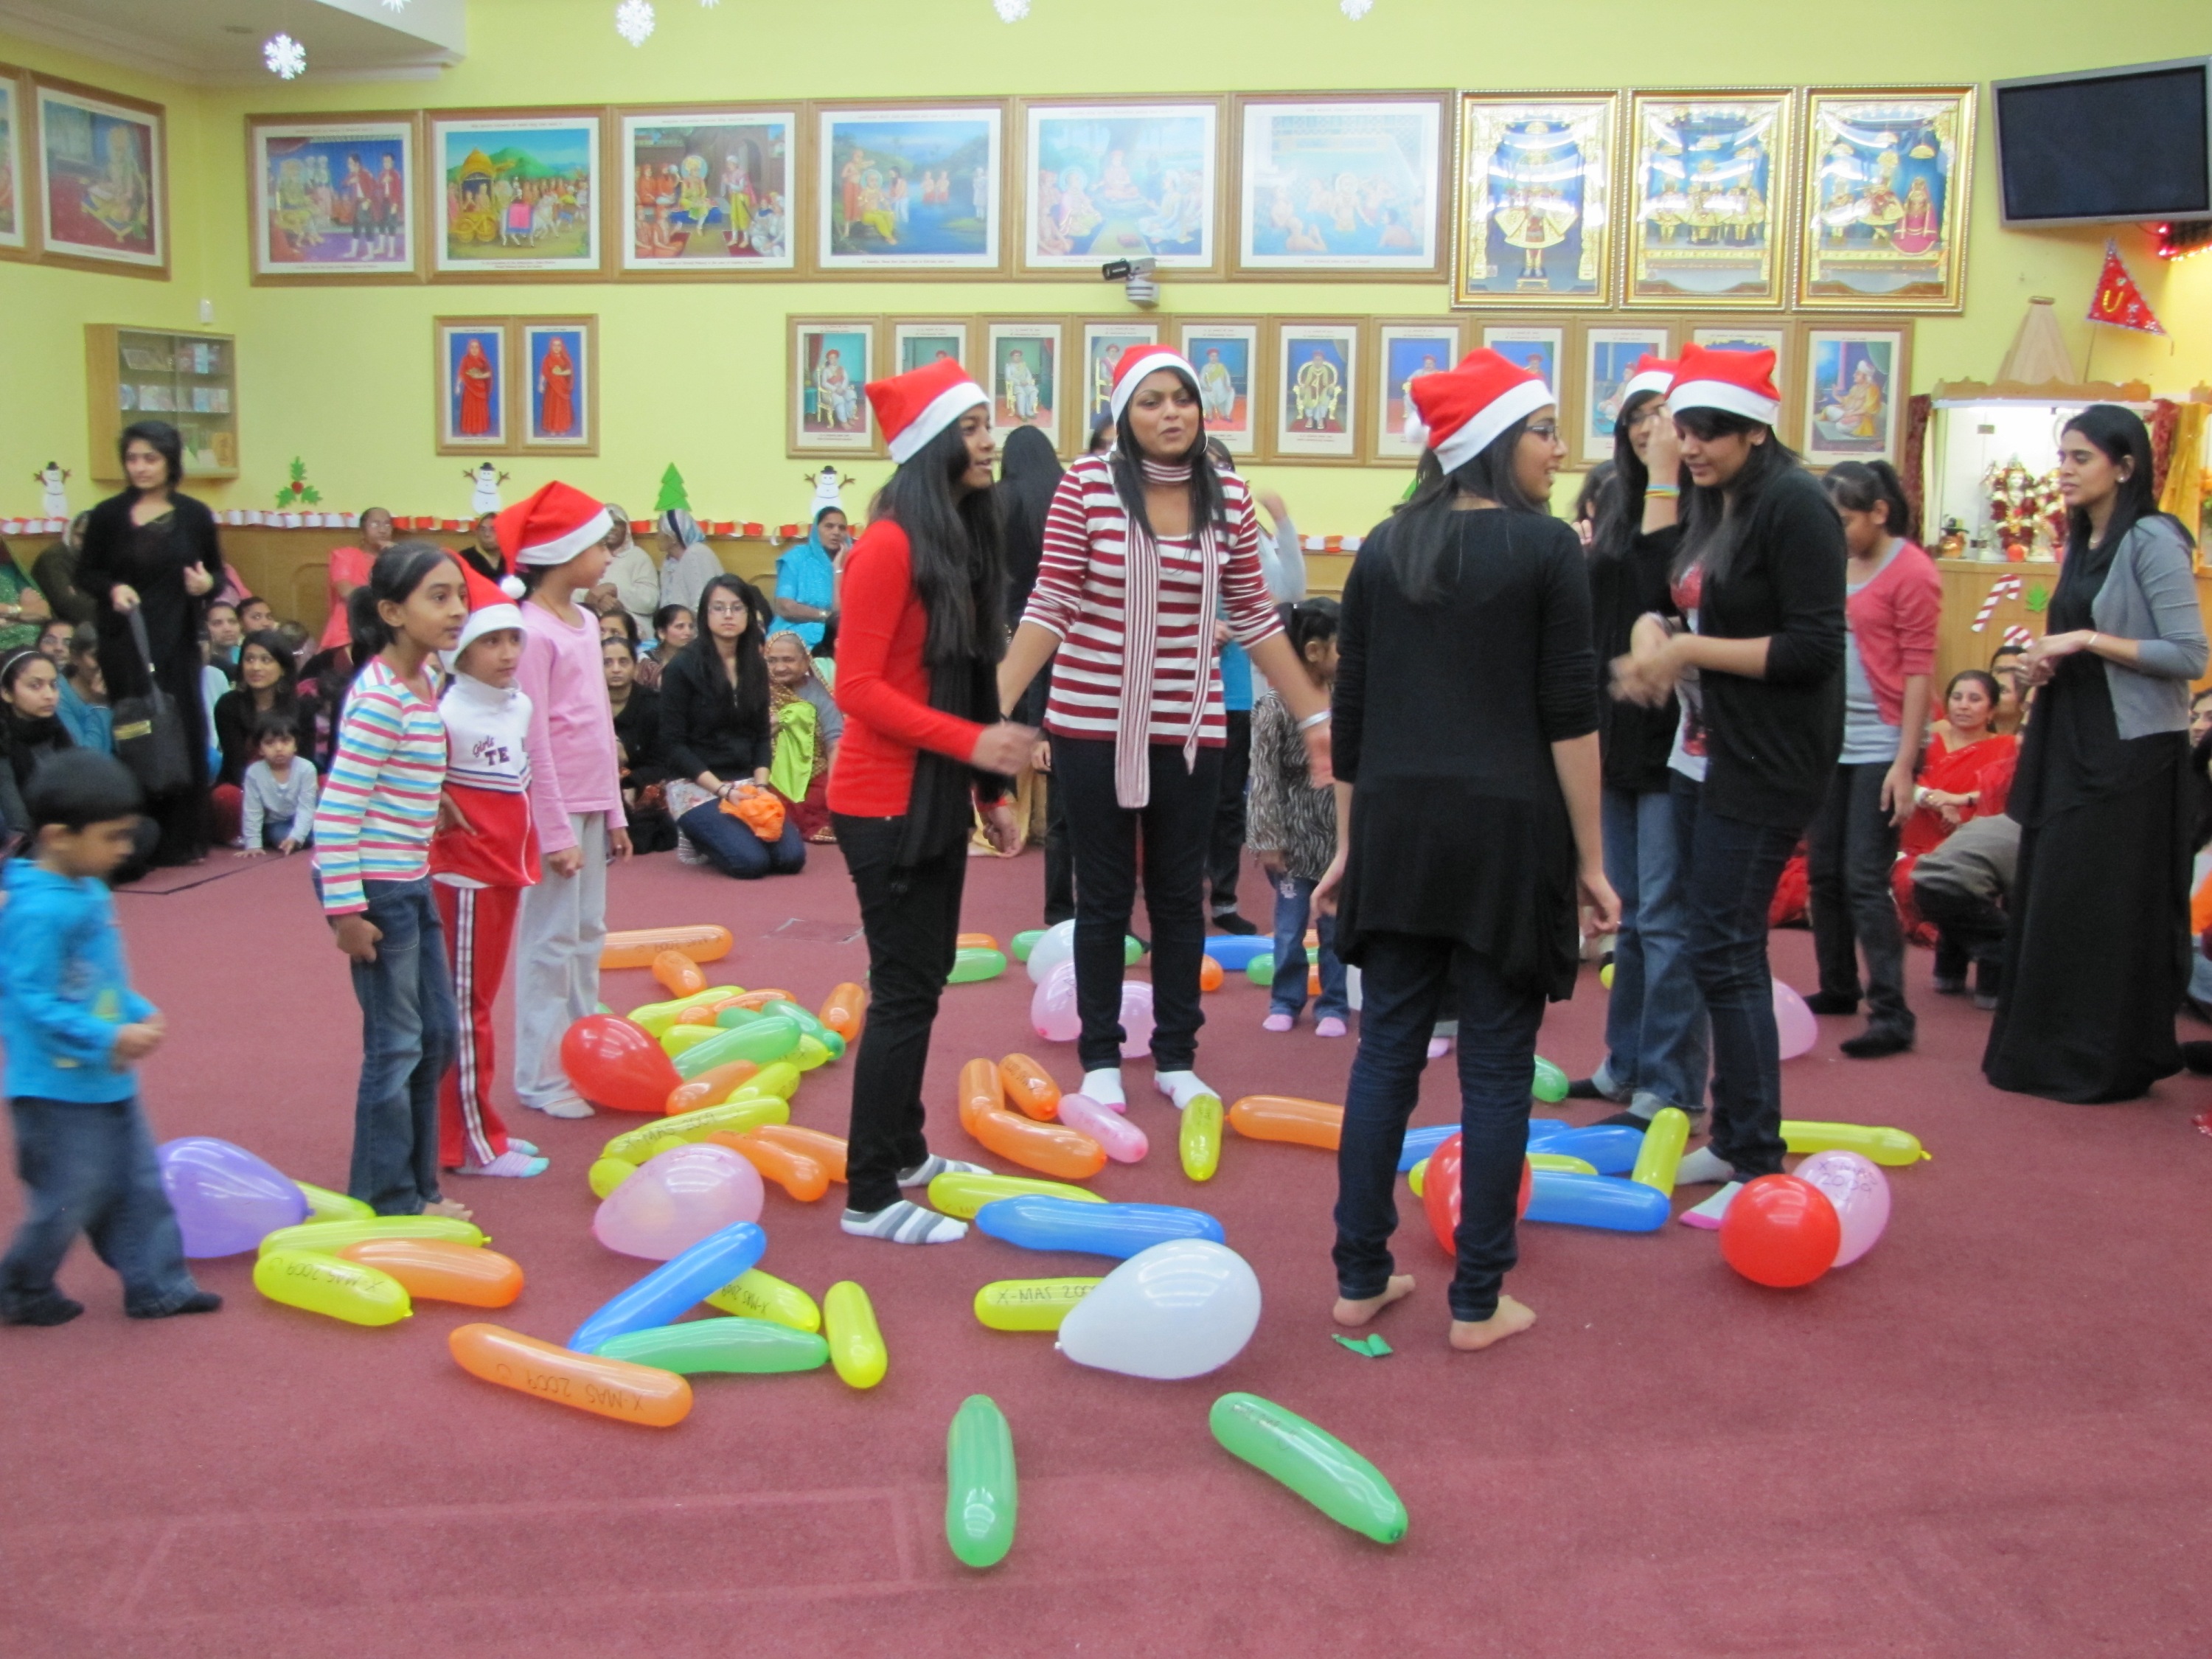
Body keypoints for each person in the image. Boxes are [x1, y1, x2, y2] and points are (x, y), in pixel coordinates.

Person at [1312, 351, 1613, 1353]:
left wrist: (1351, 841)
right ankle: (1478, 1298)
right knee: (1495, 1067)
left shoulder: (1385, 546)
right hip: (1506, 833)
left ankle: (1360, 1278)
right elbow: (1572, 717)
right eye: (1544, 430)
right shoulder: (1545, 550)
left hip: (1397, 830)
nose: (1561, 449)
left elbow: (1348, 716)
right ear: (1493, 439)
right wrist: (1593, 858)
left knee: (1385, 1053)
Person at [999, 345, 1332, 1116]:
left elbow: (1253, 613)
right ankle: (1101, 1056)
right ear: (1124, 414)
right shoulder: (1085, 485)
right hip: (1089, 723)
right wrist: (996, 702)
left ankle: (1179, 1054)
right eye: (1151, 400)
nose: (1170, 412)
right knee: (1106, 897)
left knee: (1182, 897)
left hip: (1189, 725)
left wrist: (1314, 714)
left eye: (1182, 397)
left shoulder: (1231, 498)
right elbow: (1049, 603)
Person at [1613, 346, 1846, 1211]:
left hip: (1766, 760)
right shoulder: (1721, 502)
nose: (1691, 448)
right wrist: (1651, 633)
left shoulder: (1796, 505)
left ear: (1756, 431)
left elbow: (1814, 648)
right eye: (1685, 432)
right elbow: (1672, 599)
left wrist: (1686, 651)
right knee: (1712, 948)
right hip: (1701, 753)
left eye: (1708, 433)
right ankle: (1737, 1133)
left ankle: (1756, 1161)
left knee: (1727, 950)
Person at [830, 359, 1028, 1243]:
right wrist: (977, 747)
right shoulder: (887, 546)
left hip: (936, 795)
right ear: (934, 445)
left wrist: (989, 789)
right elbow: (859, 690)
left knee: (923, 980)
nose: (992, 443)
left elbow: (967, 675)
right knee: (904, 991)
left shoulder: (958, 535)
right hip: (882, 804)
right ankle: (871, 1195)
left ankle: (905, 1152)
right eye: (976, 427)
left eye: (989, 425)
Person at [1984, 406, 2206, 1103]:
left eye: (2080, 457)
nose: (2066, 471)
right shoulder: (2083, 539)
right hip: (2071, 740)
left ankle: (2104, 1060)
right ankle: (2046, 1053)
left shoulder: (2151, 538)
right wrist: (2041, 665)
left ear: (2126, 465)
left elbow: (2191, 655)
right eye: (2063, 457)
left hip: (2132, 756)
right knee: (2057, 900)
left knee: (2108, 909)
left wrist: (2084, 642)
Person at [0, 751, 220, 1326]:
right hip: (52, 1087)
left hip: (107, 1076)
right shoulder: (37, 912)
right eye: (112, 837)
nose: (126, 848)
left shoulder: (89, 889)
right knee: (69, 1197)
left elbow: (102, 977)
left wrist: (137, 1012)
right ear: (59, 838)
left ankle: (157, 1285)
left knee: (138, 1181)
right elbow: (33, 1000)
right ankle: (20, 1285)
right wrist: (105, 1036)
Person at [309, 543, 473, 1220]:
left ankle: (415, 1187)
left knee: (434, 1035)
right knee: (397, 1044)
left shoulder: (425, 678)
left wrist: (436, 797)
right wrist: (347, 912)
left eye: (459, 594)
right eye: (439, 597)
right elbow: (339, 808)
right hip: (374, 890)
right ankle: (388, 1197)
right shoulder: (379, 699)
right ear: (391, 612)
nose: (458, 609)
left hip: (408, 875)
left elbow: (402, 765)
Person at [1573, 358, 1707, 1128]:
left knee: (1664, 915)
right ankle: (1625, 1065)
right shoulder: (1617, 503)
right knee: (1625, 913)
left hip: (1675, 736)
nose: (1653, 429)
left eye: (1668, 414)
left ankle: (1671, 1080)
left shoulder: (1703, 508)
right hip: (1613, 729)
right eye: (1639, 417)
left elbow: (1667, 589)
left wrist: (1664, 478)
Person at [1804, 459, 1940, 1058]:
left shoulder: (1911, 570)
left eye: (1847, 521)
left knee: (1864, 876)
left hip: (1884, 741)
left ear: (1879, 513)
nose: (1837, 533)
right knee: (1823, 871)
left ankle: (1892, 1010)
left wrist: (1905, 763)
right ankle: (1837, 985)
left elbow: (1917, 670)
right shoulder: (1832, 562)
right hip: (1832, 737)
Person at [507, 484, 631, 1119]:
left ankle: (585, 1054)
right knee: (550, 941)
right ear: (562, 553)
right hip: (552, 812)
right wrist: (552, 831)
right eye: (598, 545)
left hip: (589, 804)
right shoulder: (531, 631)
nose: (608, 555)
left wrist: (613, 813)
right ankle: (541, 1073)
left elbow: (598, 730)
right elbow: (534, 741)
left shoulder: (585, 623)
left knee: (588, 934)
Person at [431, 565, 548, 1179]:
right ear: (460, 650)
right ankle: (471, 1144)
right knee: (464, 1010)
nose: (507, 654)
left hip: (506, 875)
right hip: (464, 883)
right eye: (490, 642)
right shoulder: (446, 716)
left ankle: (479, 1125)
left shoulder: (519, 705)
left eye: (513, 639)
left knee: (479, 1004)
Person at [76, 420, 224, 866]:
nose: (140, 467)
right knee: (136, 730)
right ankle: (137, 834)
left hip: (176, 638)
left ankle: (182, 837)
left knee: (182, 728)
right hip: (126, 641)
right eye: (133, 459)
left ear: (170, 462)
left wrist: (205, 585)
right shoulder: (106, 515)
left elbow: (215, 574)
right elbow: (86, 573)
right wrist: (111, 591)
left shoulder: (195, 514)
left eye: (151, 458)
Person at [1206, 442, 1307, 935]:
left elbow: (1289, 589)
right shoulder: (1171, 528)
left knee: (1229, 801)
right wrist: (1203, 624)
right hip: (1181, 691)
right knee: (1181, 800)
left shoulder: (1248, 532)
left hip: (1239, 690)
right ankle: (1180, 892)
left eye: (1227, 473)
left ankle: (1223, 899)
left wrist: (1283, 524)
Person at [661, 574, 807, 877]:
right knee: (750, 863)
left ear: (749, 615)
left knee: (790, 859)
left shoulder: (754, 664)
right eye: (719, 607)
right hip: (697, 783)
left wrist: (762, 787)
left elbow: (760, 735)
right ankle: (692, 832)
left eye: (737, 608)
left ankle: (724, 829)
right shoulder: (681, 668)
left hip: (746, 782)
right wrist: (723, 791)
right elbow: (673, 746)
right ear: (705, 614)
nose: (728, 615)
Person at [1250, 598, 1349, 1036]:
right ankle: (1286, 1000)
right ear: (1314, 651)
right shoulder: (1275, 706)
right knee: (1289, 930)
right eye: (1341, 648)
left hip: (1336, 838)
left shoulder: (1347, 701)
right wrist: (1268, 838)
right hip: (1292, 840)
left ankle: (1334, 1004)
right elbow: (1264, 776)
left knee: (1335, 928)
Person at [1893, 669, 2018, 978]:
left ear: (1991, 710)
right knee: (1914, 877)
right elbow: (1902, 779)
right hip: (1916, 846)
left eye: (1975, 699)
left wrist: (1961, 802)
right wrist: (1935, 800)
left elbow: (2001, 792)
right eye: (1957, 697)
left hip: (1972, 845)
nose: (1963, 705)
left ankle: (1958, 971)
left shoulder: (2006, 748)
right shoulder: (1925, 739)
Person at [1001, 426, 1071, 915]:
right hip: (1068, 620)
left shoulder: (1002, 497)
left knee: (1018, 721)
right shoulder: (1067, 490)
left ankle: (1014, 815)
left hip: (1017, 618)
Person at [765, 629, 842, 843]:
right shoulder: (757, 691)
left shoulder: (817, 693)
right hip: (769, 772)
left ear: (805, 661)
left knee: (828, 794)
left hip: (813, 771)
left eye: (788, 660)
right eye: (772, 661)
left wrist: (835, 786)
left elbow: (835, 741)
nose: (780, 667)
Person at [604, 633, 675, 854]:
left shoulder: (654, 706)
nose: (616, 669)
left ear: (635, 668)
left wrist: (632, 782)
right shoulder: (584, 706)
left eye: (623, 662)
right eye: (607, 663)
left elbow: (665, 760)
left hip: (643, 783)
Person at [0, 647, 75, 844]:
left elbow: (81, 787)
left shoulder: (57, 728)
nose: (49, 695)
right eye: (35, 686)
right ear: (7, 693)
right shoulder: (3, 739)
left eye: (53, 685)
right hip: (24, 836)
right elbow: (17, 822)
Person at [237, 710, 317, 854]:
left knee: (322, 822)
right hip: (277, 823)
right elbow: (252, 810)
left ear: (295, 745)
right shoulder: (254, 773)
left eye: (285, 741)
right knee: (279, 836)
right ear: (260, 749)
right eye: (269, 743)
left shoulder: (306, 769)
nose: (279, 748)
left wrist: (296, 837)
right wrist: (253, 844)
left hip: (307, 815)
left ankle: (307, 838)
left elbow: (307, 808)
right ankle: (308, 839)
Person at [324, 507, 396, 653]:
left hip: (386, 629)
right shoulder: (346, 556)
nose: (382, 530)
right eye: (375, 524)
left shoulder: (397, 560)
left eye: (387, 524)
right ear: (362, 531)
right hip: (347, 631)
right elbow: (346, 592)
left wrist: (395, 556)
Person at [773, 505, 845, 651]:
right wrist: (826, 616)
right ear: (815, 530)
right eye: (829, 526)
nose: (836, 532)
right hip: (794, 635)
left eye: (842, 528)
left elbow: (842, 614)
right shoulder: (796, 558)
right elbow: (785, 607)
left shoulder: (853, 563)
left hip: (835, 638)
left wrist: (838, 569)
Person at [654, 509, 726, 621]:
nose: (656, 536)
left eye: (659, 531)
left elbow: (702, 604)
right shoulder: (669, 562)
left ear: (672, 538)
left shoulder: (696, 553)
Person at [33, 512, 94, 627]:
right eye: (81, 536)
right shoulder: (53, 558)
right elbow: (69, 605)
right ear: (70, 532)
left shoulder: (103, 559)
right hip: (62, 629)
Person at [58, 626, 111, 755]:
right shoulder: (58, 695)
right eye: (96, 655)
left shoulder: (122, 685)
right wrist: (99, 705)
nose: (106, 663)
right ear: (75, 657)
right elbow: (86, 756)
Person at [0, 539, 52, 654]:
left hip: (35, 649)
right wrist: (22, 614)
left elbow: (43, 613)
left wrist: (8, 611)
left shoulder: (10, 571)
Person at [639, 602, 692, 691]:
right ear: (662, 633)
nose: (688, 632)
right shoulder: (645, 660)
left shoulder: (697, 659)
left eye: (691, 627)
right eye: (680, 626)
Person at [458, 512, 506, 584]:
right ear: (476, 532)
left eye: (493, 529)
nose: (487, 534)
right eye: (482, 529)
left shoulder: (511, 558)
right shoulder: (463, 558)